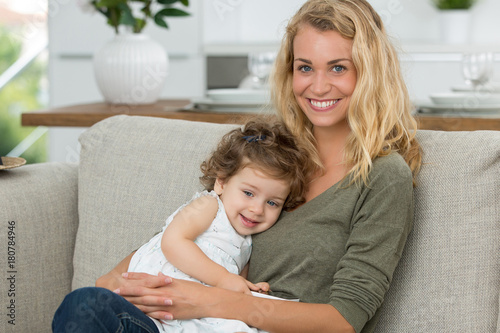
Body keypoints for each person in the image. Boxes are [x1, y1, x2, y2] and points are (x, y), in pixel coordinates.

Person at [53, 0, 423, 332]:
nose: (318, 85)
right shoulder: (273, 151)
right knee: (86, 306)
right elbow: (202, 223)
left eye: (338, 68)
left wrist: (210, 300)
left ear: (369, 73)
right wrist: (118, 281)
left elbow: (344, 320)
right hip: (181, 323)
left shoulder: (383, 176)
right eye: (305, 67)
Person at [53, 118, 310, 333]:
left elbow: (235, 289)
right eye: (249, 193)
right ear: (221, 183)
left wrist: (251, 289)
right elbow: (174, 242)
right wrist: (225, 279)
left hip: (190, 323)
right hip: (147, 317)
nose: (257, 209)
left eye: (273, 203)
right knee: (84, 304)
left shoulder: (247, 243)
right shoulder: (208, 206)